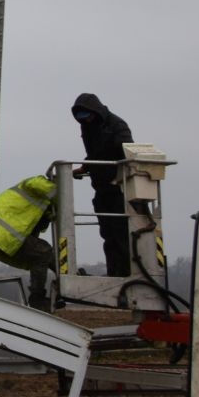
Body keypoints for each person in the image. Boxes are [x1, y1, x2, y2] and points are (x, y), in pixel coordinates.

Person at [0, 174, 57, 310]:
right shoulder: (39, 183)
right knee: (43, 251)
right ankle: (37, 299)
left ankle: (71, 278)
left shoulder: (41, 204)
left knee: (44, 254)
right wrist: (63, 187)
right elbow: (44, 188)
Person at [70, 92, 133, 276]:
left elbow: (125, 152)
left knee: (120, 233)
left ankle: (125, 274)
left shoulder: (117, 125)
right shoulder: (88, 128)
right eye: (80, 117)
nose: (85, 120)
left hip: (118, 188)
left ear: (95, 111)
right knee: (108, 235)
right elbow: (96, 153)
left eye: (87, 115)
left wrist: (99, 165)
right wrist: (86, 166)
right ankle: (114, 273)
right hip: (101, 188)